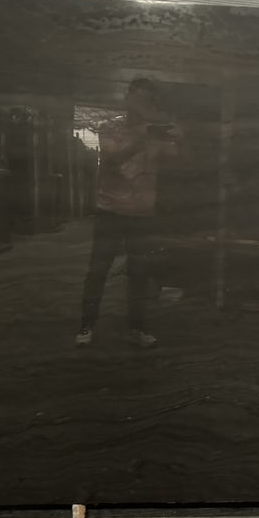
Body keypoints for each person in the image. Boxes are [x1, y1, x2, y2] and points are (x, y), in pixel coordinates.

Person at [76, 79, 180, 347]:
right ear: (127, 99)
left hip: (142, 213)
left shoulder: (155, 131)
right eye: (136, 99)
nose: (140, 105)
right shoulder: (110, 127)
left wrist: (177, 136)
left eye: (146, 100)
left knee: (139, 273)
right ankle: (86, 325)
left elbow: (178, 159)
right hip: (110, 211)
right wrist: (144, 136)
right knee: (98, 270)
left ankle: (137, 328)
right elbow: (113, 157)